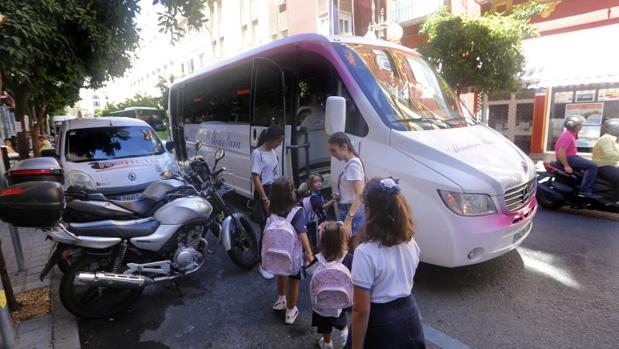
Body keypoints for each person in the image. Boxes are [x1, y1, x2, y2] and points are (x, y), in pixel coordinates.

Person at [345, 177, 425, 349]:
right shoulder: (411, 243)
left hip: (380, 323)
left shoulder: (365, 253)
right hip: (410, 316)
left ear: (367, 211)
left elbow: (361, 311)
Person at [267, 177, 313, 325]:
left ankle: (281, 299)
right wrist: (309, 252)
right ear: (290, 195)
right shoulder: (297, 211)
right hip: (294, 257)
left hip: (277, 254)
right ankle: (290, 311)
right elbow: (302, 233)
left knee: (281, 275)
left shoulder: (271, 210)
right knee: (294, 282)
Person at [309, 221, 353, 349]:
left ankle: (327, 343)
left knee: (324, 324)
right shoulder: (348, 258)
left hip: (321, 303)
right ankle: (344, 334)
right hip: (341, 300)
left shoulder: (319, 258)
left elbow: (311, 271)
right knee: (340, 315)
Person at [251, 125, 285, 280]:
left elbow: (275, 174)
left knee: (275, 227)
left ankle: (273, 259)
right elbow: (256, 178)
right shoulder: (257, 153)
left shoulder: (273, 152)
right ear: (270, 139)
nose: (280, 144)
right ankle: (262, 263)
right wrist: (264, 198)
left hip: (274, 191)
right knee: (265, 229)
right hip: (263, 192)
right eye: (278, 141)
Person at [328, 132, 365, 250]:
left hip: (351, 212)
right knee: (350, 248)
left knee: (353, 249)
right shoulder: (351, 164)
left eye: (333, 150)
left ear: (344, 147)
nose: (332, 154)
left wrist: (349, 218)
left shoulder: (353, 165)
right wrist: (340, 195)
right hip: (349, 210)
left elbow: (360, 193)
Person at [554, 115, 599, 198]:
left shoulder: (571, 134)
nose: (580, 127)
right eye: (579, 125)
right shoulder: (567, 135)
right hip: (568, 158)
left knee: (589, 164)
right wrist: (566, 166)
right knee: (593, 166)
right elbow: (561, 152)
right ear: (573, 126)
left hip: (571, 157)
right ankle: (585, 191)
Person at [302, 174, 337, 247]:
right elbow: (322, 207)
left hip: (317, 221)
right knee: (319, 241)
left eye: (320, 181)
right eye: (316, 182)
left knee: (322, 239)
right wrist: (332, 201)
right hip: (316, 222)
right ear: (310, 184)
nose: (319, 183)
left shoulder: (316, 194)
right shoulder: (314, 196)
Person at [592, 118, 619, 203]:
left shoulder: (613, 139)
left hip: (611, 165)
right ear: (614, 128)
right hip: (603, 166)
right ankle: (613, 198)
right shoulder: (606, 138)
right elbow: (609, 154)